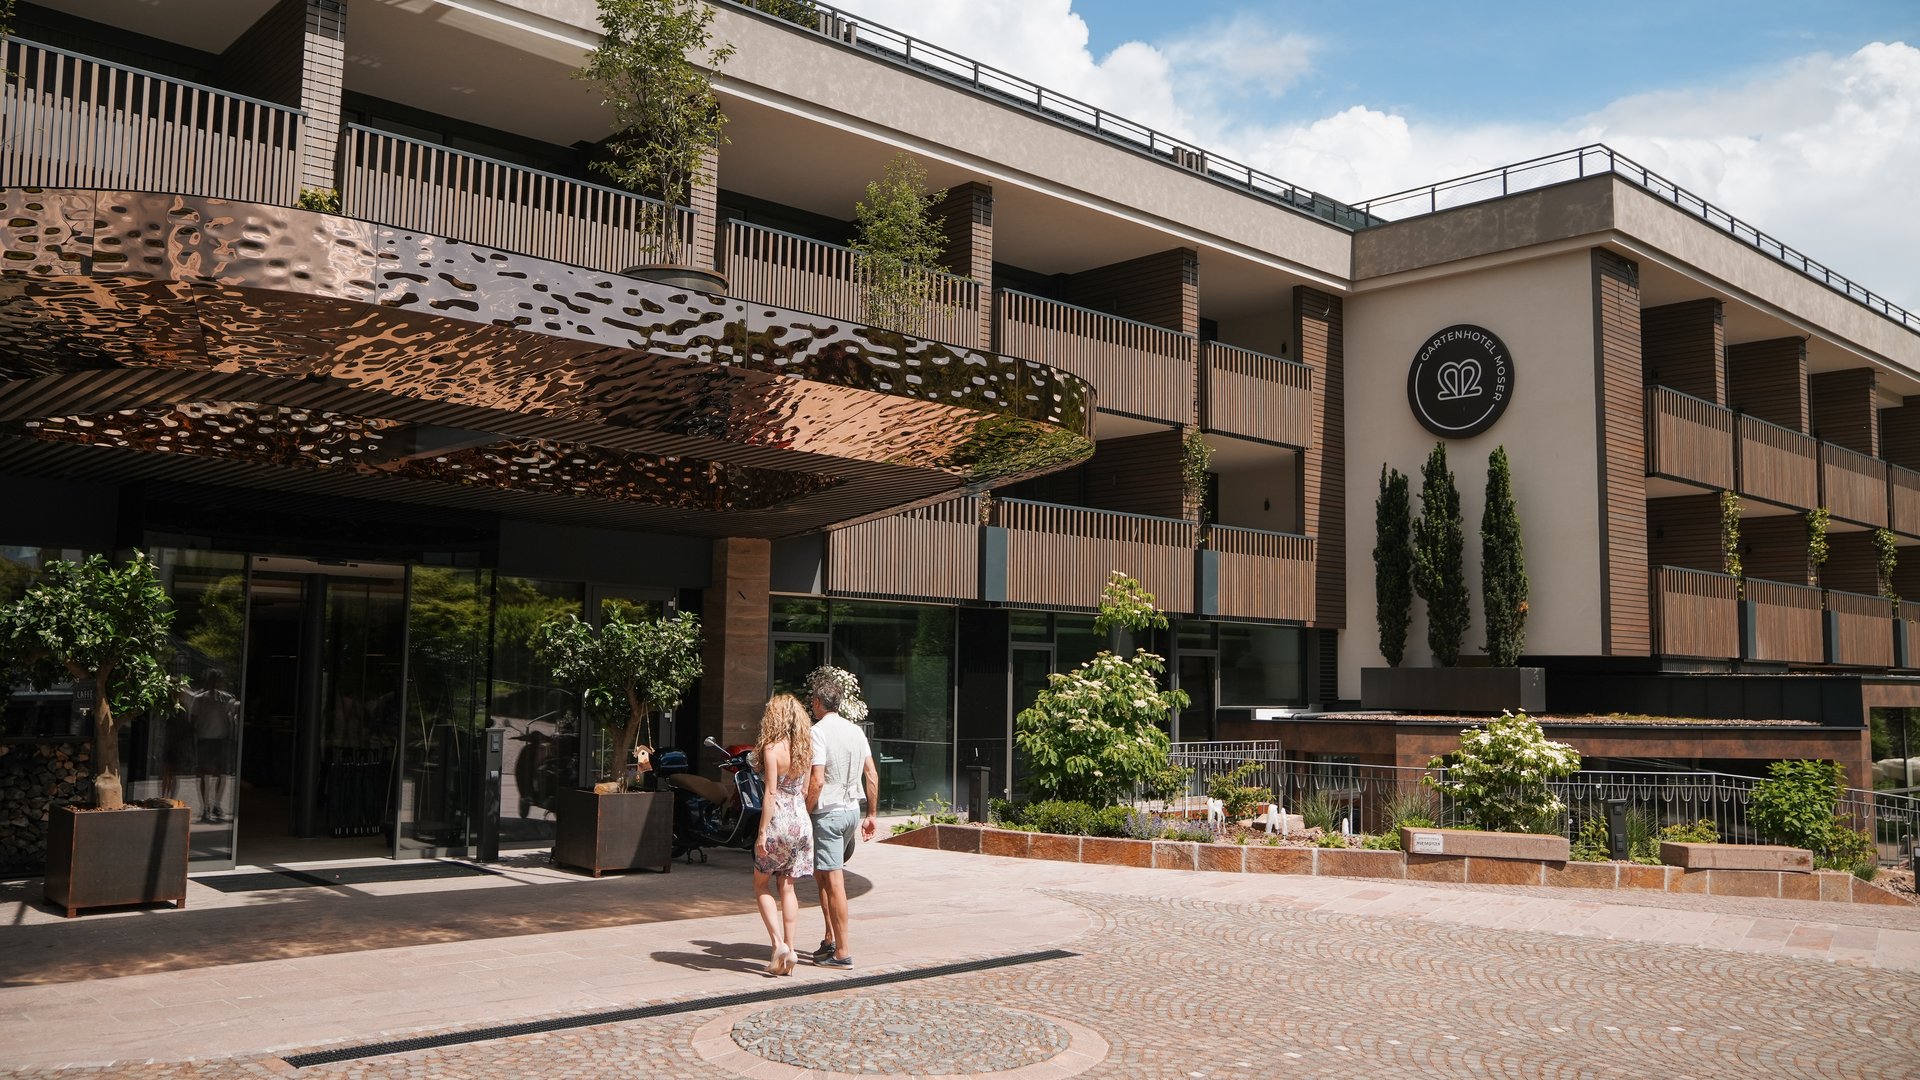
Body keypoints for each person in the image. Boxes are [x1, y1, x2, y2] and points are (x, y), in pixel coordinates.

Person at [806, 679, 878, 969]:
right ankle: (830, 939)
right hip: (851, 810)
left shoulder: (817, 732)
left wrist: (805, 810)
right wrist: (872, 814)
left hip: (828, 811)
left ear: (819, 704)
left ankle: (843, 951)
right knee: (823, 877)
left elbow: (818, 779)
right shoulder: (855, 731)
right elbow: (871, 774)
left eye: (812, 702)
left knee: (834, 882)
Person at [751, 694, 814, 976]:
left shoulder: (772, 748)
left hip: (779, 821)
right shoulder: (805, 748)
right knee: (787, 886)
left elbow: (770, 792)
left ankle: (778, 944)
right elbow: (805, 790)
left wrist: (762, 832)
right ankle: (791, 948)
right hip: (801, 821)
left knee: (761, 884)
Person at [188, 669, 239, 824]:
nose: (214, 683)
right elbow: (192, 720)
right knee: (204, 774)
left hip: (221, 740)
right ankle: (205, 806)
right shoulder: (199, 699)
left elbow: (232, 719)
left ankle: (216, 804)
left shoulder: (227, 698)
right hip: (205, 740)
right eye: (212, 680)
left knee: (221, 774)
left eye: (217, 680)